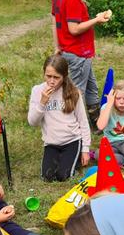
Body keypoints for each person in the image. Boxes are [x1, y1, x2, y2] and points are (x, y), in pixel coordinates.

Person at [51, 0, 111, 126]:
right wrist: (97, 20)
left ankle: (96, 121)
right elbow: (74, 29)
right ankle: (73, 125)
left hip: (72, 52)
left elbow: (55, 20)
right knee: (77, 92)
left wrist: (57, 46)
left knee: (92, 87)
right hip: (78, 54)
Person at [28, 54, 91, 182]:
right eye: (48, 76)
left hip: (72, 140)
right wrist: (42, 103)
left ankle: (75, 157)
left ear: (64, 76)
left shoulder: (73, 92)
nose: (52, 81)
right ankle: (66, 159)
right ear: (44, 73)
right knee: (47, 177)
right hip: (51, 143)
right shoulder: (37, 91)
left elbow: (83, 122)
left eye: (56, 77)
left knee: (63, 176)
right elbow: (32, 122)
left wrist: (85, 149)